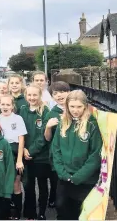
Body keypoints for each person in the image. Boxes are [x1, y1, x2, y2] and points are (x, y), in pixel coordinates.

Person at [51, 90, 102, 220]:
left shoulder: (92, 125)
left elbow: (95, 155)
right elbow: (55, 149)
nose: (75, 110)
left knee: (79, 211)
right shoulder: (62, 122)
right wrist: (62, 173)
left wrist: (79, 176)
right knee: (61, 206)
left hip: (84, 179)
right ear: (67, 106)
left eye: (79, 106)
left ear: (85, 106)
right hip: (65, 176)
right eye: (72, 106)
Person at [20, 85, 51, 220]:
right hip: (25, 154)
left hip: (41, 156)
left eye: (35, 95)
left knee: (42, 185)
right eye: (29, 95)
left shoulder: (45, 111)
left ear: (40, 96)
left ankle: (42, 212)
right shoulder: (22, 110)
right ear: (26, 96)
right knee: (28, 185)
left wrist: (31, 150)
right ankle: (30, 212)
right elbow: (19, 132)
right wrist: (24, 149)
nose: (32, 98)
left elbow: (44, 136)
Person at [0, 94, 28, 219]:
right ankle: (5, 209)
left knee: (16, 181)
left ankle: (17, 210)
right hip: (1, 152)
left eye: (8, 104)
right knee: (3, 181)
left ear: (12, 106)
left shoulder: (18, 119)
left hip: (15, 151)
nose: (5, 107)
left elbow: (21, 139)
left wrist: (19, 160)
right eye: (3, 104)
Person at [43, 81, 71, 209]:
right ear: (52, 96)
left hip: (73, 155)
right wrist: (48, 127)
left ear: (68, 92)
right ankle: (56, 201)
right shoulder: (51, 113)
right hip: (58, 157)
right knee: (57, 183)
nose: (59, 95)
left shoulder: (76, 109)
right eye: (55, 93)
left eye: (62, 92)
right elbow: (47, 138)